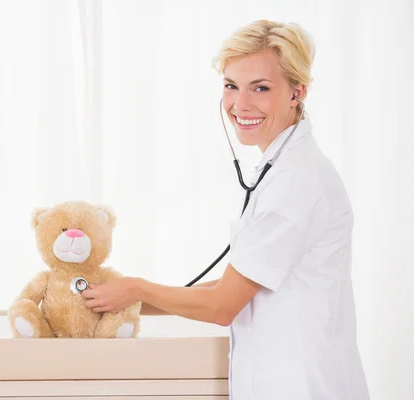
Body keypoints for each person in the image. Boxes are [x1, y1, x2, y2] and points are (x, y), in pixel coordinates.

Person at [81, 19, 370, 400]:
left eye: (261, 88)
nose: (240, 104)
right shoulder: (285, 169)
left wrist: (135, 288)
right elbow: (232, 286)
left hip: (302, 386)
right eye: (231, 86)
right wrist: (127, 302)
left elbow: (222, 306)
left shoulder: (297, 182)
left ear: (297, 92)